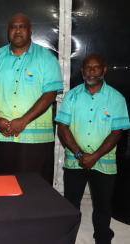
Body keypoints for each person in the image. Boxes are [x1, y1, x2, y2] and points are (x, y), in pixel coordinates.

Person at [0, 13, 63, 184]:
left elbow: (50, 94)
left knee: (35, 193)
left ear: (30, 31)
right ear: (8, 32)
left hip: (36, 141)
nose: (17, 31)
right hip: (2, 136)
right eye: (13, 27)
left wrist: (23, 120)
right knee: (0, 190)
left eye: (22, 26)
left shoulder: (46, 59)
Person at [56, 54, 130, 244]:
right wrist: (80, 154)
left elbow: (117, 132)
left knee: (103, 206)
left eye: (96, 68)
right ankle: (68, 239)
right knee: (71, 204)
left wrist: (95, 156)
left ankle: (103, 239)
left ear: (104, 70)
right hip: (75, 161)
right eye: (88, 68)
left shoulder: (116, 98)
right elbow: (63, 128)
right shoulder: (71, 96)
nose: (91, 71)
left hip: (103, 163)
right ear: (82, 72)